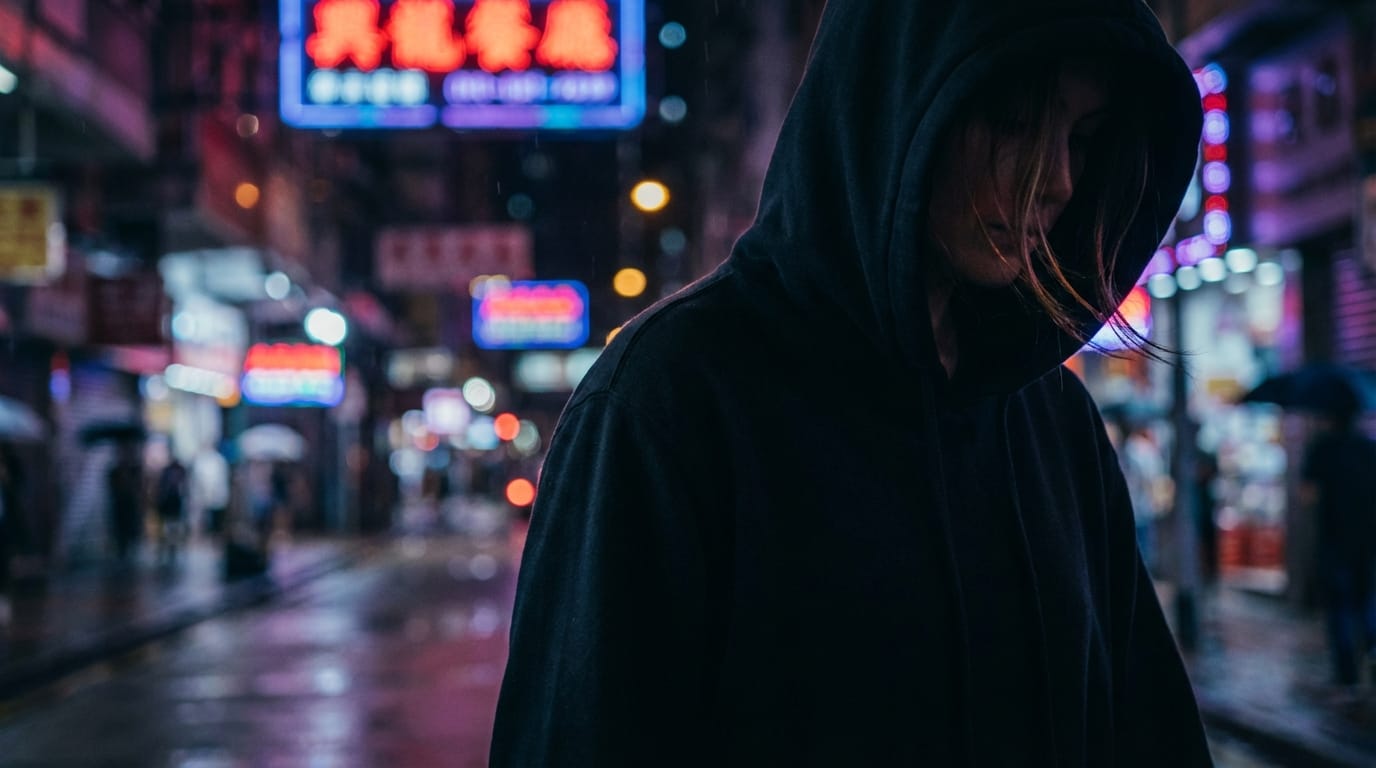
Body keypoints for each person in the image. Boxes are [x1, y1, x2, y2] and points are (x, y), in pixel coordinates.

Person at [491, 1, 1211, 764]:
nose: (1059, 179)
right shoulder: (667, 401)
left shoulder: (1051, 419)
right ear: (896, 102)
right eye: (1009, 121)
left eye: (1084, 137)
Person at [1301, 404, 1376, 690]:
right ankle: (1371, 662)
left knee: (1340, 608)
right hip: (1368, 540)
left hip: (1333, 540)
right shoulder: (1369, 448)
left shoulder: (1322, 448)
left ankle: (1347, 678)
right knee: (1367, 603)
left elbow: (1307, 495)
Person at [155, 457, 189, 565]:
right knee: (166, 527)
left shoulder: (180, 474)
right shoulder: (166, 474)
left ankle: (172, 549)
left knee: (174, 527)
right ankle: (166, 548)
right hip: (167, 504)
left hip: (175, 505)